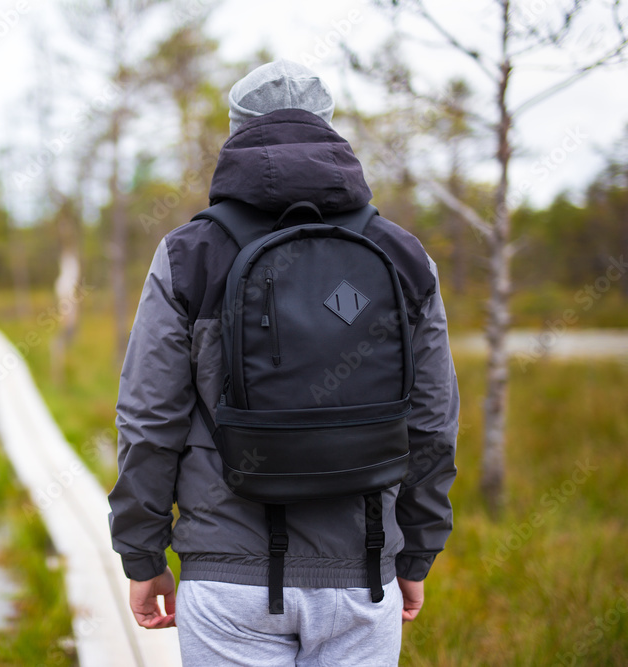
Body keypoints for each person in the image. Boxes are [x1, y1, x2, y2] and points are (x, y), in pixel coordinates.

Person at [108, 59, 459, 665]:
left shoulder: (189, 253)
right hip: (363, 572)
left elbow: (148, 420)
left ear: (236, 132)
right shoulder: (402, 255)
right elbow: (433, 422)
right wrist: (417, 550)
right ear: (329, 129)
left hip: (226, 578)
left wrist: (142, 554)